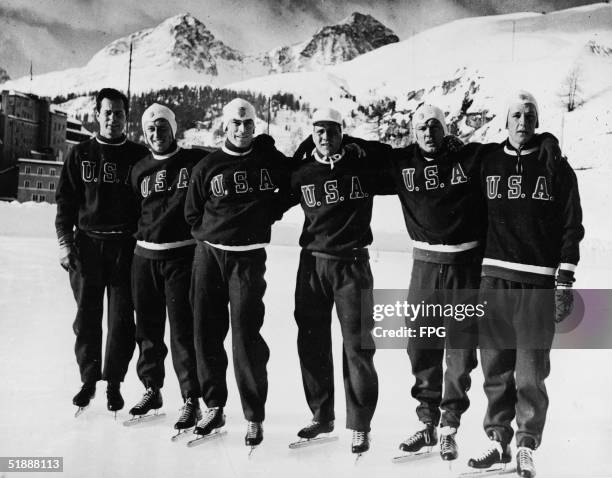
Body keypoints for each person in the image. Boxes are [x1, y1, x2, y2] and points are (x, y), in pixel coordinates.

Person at [467, 91, 583, 478]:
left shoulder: (555, 166)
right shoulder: (487, 161)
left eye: (529, 115)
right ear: (505, 120)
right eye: (515, 115)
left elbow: (572, 224)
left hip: (537, 282)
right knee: (495, 367)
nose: (522, 122)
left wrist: (564, 279)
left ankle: (526, 446)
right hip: (494, 279)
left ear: (538, 120)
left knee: (531, 372)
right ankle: (498, 442)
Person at [184, 98, 288, 448]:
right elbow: (192, 212)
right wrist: (211, 235)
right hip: (210, 256)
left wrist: (267, 213)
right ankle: (214, 405)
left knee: (246, 336)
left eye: (248, 124)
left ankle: (253, 415)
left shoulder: (267, 161)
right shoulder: (208, 165)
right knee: (206, 331)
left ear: (255, 127)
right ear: (224, 126)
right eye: (235, 124)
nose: (242, 130)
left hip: (247, 259)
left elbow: (292, 183)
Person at [286, 107, 385, 455]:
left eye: (332, 130)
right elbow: (273, 196)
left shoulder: (363, 166)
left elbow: (391, 156)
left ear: (343, 132)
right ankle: (321, 414)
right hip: (312, 264)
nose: (325, 137)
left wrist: (358, 144)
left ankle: (360, 425)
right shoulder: (301, 173)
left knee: (358, 346)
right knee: (311, 341)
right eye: (318, 131)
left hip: (352, 264)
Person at [55, 87, 148, 414]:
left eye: (119, 113)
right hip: (87, 246)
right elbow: (64, 204)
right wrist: (66, 245)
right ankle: (88, 379)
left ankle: (114, 383)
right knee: (87, 317)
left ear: (127, 117)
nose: (113, 118)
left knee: (122, 319)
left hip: (125, 246)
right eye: (107, 112)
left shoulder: (139, 156)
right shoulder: (79, 154)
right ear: (97, 114)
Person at [127, 103, 206, 432]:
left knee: (182, 331)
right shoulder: (139, 169)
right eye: (151, 129)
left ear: (173, 129)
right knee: (146, 329)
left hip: (180, 257)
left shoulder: (193, 160)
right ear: (145, 134)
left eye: (162, 126)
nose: (157, 133)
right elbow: (134, 211)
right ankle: (152, 389)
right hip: (145, 258)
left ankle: (191, 398)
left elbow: (229, 157)